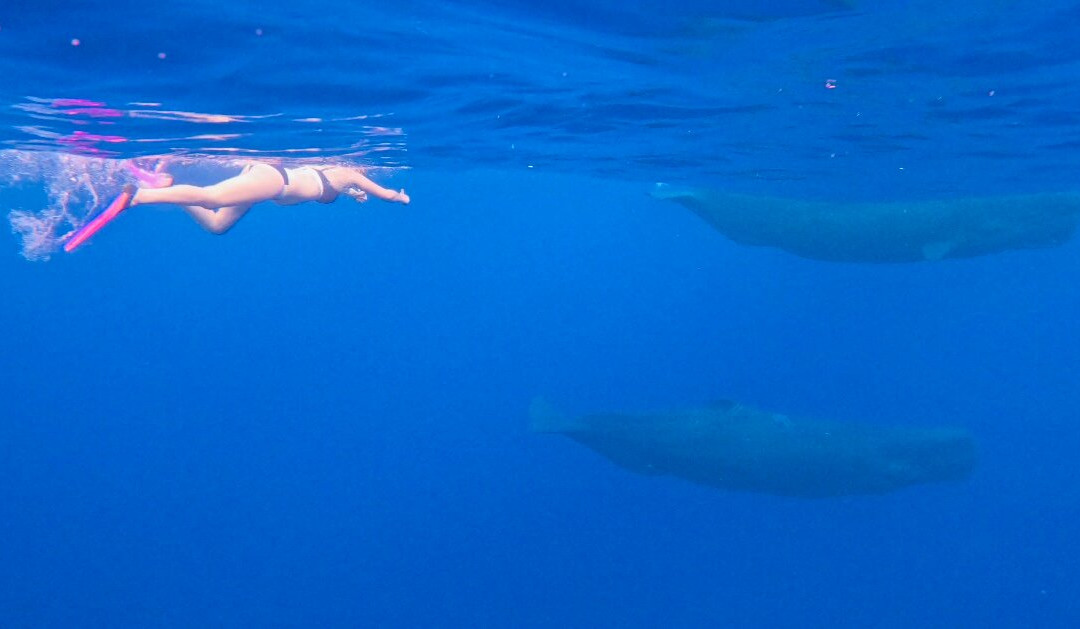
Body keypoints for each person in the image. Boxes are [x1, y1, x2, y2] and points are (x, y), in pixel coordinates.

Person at [130, 160, 410, 234]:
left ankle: (168, 186)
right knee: (212, 198)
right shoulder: (347, 173)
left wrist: (352, 193)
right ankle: (141, 195)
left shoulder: (339, 175)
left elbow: (335, 187)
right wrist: (400, 197)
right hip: (275, 182)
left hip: (270, 181)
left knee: (217, 225)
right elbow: (384, 194)